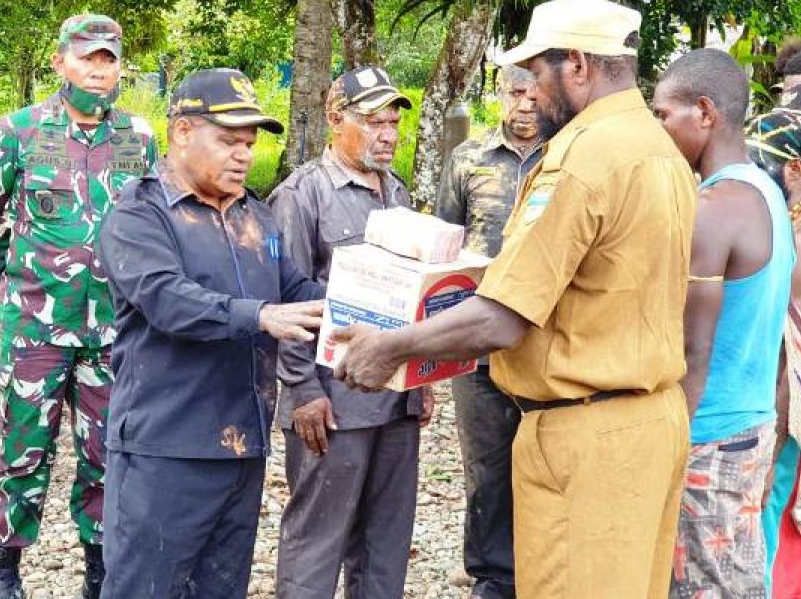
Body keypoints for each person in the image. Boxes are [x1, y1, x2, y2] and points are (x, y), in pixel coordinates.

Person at [332, 0, 696, 599]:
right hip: (649, 423)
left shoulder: (583, 160)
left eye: (538, 73)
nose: (529, 91)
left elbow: (504, 315)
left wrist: (391, 347)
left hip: (586, 439)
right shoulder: (660, 150)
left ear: (576, 65)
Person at [97, 68, 325, 599]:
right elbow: (167, 300)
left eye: (248, 143)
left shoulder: (258, 218)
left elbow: (298, 291)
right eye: (227, 141)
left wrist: (377, 303)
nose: (243, 154)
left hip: (242, 449)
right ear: (181, 132)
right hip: (166, 451)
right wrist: (260, 317)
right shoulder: (140, 214)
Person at [0, 14, 157, 599]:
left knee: (108, 456)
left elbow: (152, 224)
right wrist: (25, 287)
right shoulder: (16, 134)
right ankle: (6, 576)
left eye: (108, 60)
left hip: (113, 333)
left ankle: (99, 576)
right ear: (60, 63)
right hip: (35, 332)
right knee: (20, 453)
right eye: (86, 59)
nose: (99, 71)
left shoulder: (138, 138)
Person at [266, 66, 425, 599]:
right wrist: (303, 391)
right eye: (374, 122)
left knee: (385, 540)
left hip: (394, 398)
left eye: (394, 123)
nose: (388, 134)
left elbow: (411, 294)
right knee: (318, 539)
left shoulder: (396, 193)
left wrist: (420, 382)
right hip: (331, 400)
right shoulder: (302, 195)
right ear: (336, 120)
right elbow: (283, 303)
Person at [651, 49, 793, 598]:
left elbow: (693, 347)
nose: (659, 128)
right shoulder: (766, 193)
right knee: (736, 578)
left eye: (664, 115)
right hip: (750, 426)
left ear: (704, 112)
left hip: (707, 435)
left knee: (700, 587)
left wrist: (668, 449)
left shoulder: (713, 209)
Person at [435, 64, 543, 599]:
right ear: (499, 96)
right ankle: (491, 578)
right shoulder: (468, 160)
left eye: (533, 93)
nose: (525, 104)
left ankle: (541, 573)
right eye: (515, 93)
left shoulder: (566, 158)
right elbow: (446, 250)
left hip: (543, 345)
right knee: (486, 469)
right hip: (477, 348)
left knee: (544, 463)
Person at [746, 110, 801, 597]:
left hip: (793, 421)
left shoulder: (798, 241)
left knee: (778, 531)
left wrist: (771, 446)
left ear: (794, 171)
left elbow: (788, 358)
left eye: (759, 161)